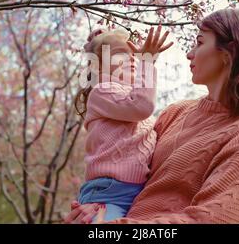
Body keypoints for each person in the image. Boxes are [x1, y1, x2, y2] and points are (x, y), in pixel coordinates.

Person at [66, 7, 239, 224]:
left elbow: (212, 220)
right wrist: (96, 208)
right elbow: (126, 168)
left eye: (199, 43)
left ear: (229, 52)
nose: (189, 54)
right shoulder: (175, 113)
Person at [73, 26, 173, 223]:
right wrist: (147, 62)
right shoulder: (102, 92)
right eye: (120, 54)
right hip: (107, 194)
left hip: (137, 192)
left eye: (134, 55)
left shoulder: (133, 100)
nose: (132, 60)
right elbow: (142, 106)